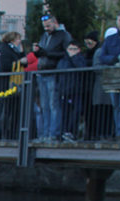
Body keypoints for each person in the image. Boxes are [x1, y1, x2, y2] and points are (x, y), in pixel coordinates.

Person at [35, 13, 72, 141]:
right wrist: (38, 53)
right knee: (44, 105)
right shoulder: (44, 36)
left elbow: (67, 53)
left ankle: (53, 133)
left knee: (53, 104)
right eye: (45, 26)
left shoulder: (63, 35)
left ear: (55, 23)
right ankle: (45, 133)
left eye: (49, 25)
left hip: (54, 73)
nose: (46, 28)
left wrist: (48, 53)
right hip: (42, 72)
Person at [97, 12, 120, 140]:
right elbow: (102, 57)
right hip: (113, 77)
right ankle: (118, 133)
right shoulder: (110, 39)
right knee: (116, 106)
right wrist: (114, 59)